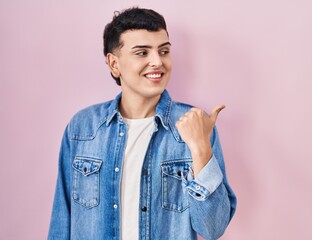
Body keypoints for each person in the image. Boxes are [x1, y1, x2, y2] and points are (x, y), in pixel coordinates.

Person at [48, 7, 236, 240]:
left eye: (164, 51)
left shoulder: (195, 125)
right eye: (142, 53)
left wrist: (200, 148)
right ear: (114, 64)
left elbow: (213, 228)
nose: (157, 62)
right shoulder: (83, 128)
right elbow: (61, 221)